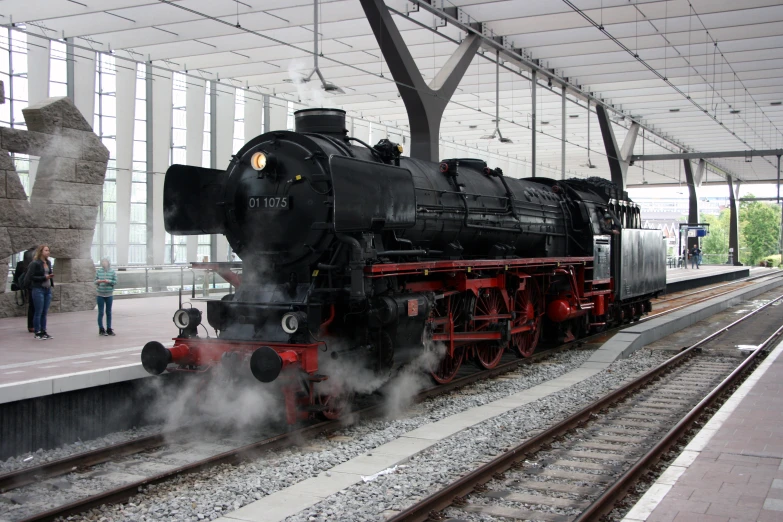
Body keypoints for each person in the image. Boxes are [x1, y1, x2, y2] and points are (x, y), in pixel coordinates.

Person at [28, 245, 54, 340]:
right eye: (46, 250)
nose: (48, 252)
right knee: (38, 311)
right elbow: (31, 277)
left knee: (44, 312)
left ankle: (44, 331)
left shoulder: (48, 262)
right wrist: (44, 278)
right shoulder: (35, 263)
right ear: (41, 252)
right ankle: (37, 332)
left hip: (47, 289)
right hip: (38, 289)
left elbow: (48, 273)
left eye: (48, 250)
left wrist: (50, 278)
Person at [12, 248, 35, 332]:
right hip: (31, 287)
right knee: (33, 306)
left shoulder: (21, 264)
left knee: (32, 306)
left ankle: (32, 325)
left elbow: (16, 279)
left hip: (29, 287)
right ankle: (32, 325)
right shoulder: (29, 265)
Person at [95, 257, 117, 336]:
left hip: (109, 294)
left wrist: (109, 281)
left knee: (108, 312)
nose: (104, 263)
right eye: (103, 262)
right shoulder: (99, 271)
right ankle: (101, 328)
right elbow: (95, 281)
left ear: (108, 263)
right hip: (100, 294)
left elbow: (115, 281)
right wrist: (98, 281)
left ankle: (109, 328)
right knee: (101, 312)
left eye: (106, 262)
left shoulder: (112, 271)